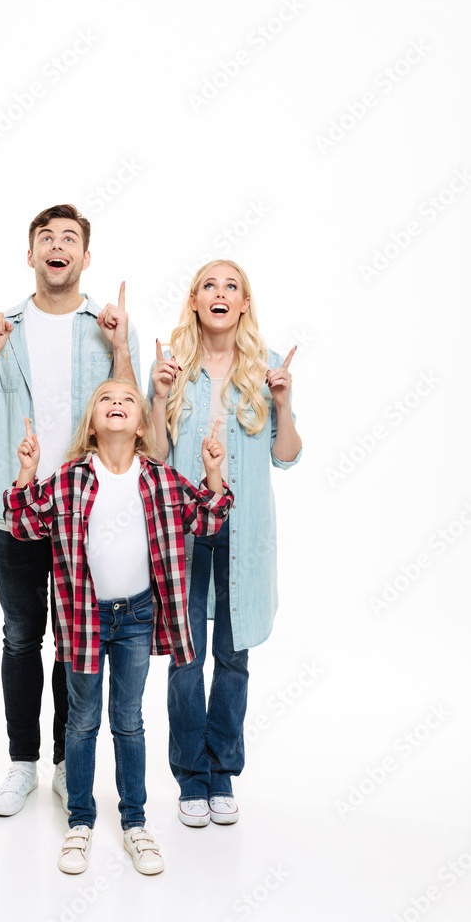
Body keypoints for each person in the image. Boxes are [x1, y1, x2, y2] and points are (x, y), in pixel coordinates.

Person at [3, 379, 233, 874]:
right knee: (83, 721)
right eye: (106, 399)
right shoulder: (69, 478)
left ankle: (135, 823)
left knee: (128, 721)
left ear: (142, 424)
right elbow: (22, 523)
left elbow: (209, 519)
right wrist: (25, 474)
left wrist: (214, 475)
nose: (117, 404)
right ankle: (80, 823)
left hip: (137, 617)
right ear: (92, 422)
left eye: (128, 399)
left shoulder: (162, 478)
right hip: (84, 619)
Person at [0, 203, 140, 817]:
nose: (57, 247)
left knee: (73, 643)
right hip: (15, 513)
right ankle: (21, 764)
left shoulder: (108, 325)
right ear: (30, 253)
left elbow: (130, 415)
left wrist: (120, 348)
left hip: (86, 514)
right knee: (19, 638)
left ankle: (67, 762)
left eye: (70, 239)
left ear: (86, 257)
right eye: (46, 238)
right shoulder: (0, 328)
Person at [148, 259, 302, 827]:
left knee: (232, 659)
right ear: (194, 300)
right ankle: (190, 774)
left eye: (230, 286)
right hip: (186, 531)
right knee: (186, 658)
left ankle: (222, 771)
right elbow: (155, 459)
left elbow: (285, 455)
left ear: (243, 304)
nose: (220, 293)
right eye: (209, 285)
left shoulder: (268, 368)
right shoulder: (170, 368)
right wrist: (159, 398)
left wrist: (284, 402)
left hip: (244, 535)